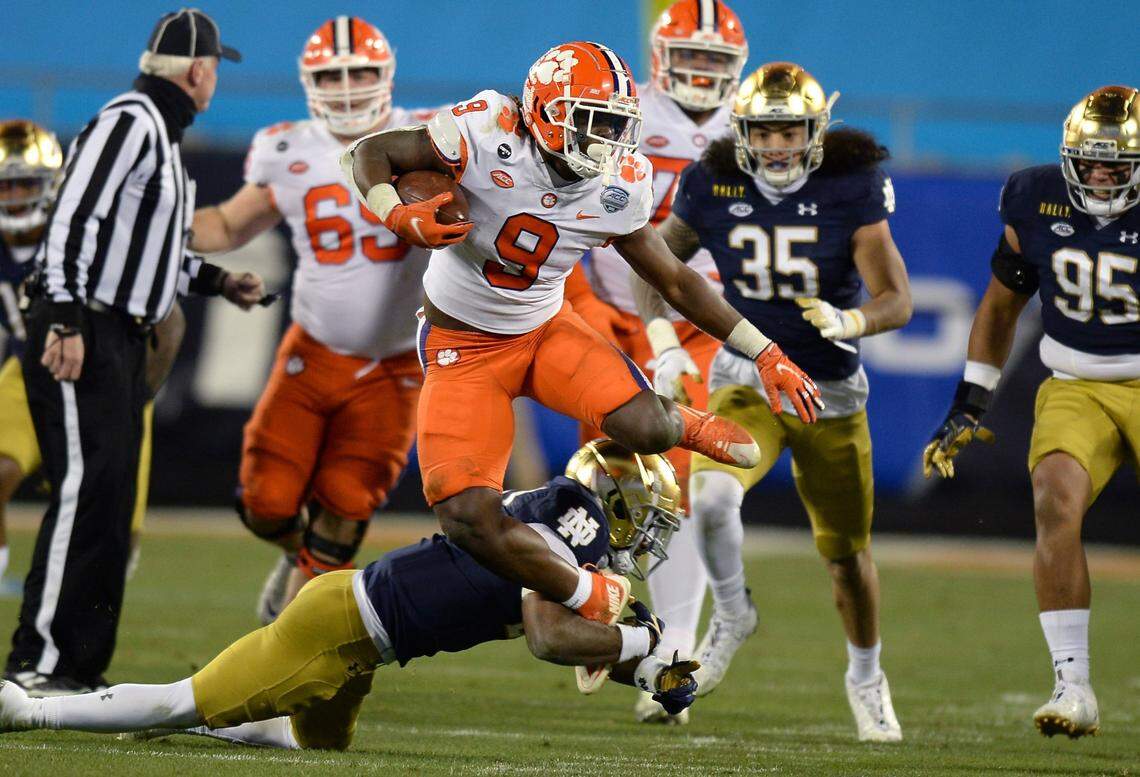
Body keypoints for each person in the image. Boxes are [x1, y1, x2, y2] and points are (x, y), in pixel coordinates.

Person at [342, 41, 823, 635]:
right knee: (464, 516)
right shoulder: (486, 129)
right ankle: (587, 591)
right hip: (461, 349)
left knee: (646, 428)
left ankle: (687, 425)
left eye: (618, 126)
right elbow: (370, 153)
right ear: (545, 111)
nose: (609, 142)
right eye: (594, 123)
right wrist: (395, 212)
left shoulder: (617, 185)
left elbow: (674, 277)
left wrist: (764, 349)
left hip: (545, 330)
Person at [0, 442, 700, 749]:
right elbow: (550, 637)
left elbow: (566, 633)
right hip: (338, 629)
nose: (649, 534)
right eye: (647, 516)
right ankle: (31, 711)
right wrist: (640, 643)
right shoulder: (561, 531)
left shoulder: (554, 518)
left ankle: (227, 716)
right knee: (183, 695)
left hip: (366, 641)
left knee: (321, 745)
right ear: (611, 502)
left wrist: (647, 669)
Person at [632, 62, 912, 741]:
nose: (778, 146)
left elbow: (896, 298)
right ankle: (732, 612)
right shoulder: (713, 180)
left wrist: (852, 322)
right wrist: (665, 343)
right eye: (764, 131)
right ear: (742, 132)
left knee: (845, 555)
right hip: (746, 377)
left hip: (830, 392)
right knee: (715, 498)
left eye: (791, 131)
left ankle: (866, 673)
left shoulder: (851, 188)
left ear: (816, 133)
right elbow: (655, 267)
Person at [4, 9, 262, 697]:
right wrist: (61, 320)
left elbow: (151, 252)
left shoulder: (158, 135)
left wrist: (218, 280)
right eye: (214, 70)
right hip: (85, 327)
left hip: (117, 332)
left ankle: (77, 662)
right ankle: (39, 659)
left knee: (110, 499)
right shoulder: (131, 122)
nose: (214, 83)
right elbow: (73, 218)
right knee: (85, 490)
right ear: (200, 70)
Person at [191, 16, 439, 624]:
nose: (349, 87)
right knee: (264, 500)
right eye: (334, 74)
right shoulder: (286, 147)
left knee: (351, 497)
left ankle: (302, 626)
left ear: (386, 76)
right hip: (315, 348)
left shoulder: (430, 138)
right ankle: (300, 555)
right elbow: (225, 226)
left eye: (360, 72)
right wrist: (155, 219)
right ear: (309, 82)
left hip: (397, 359)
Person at [923, 84, 1140, 739]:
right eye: (1090, 160)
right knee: (1052, 497)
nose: (1100, 174)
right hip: (1076, 380)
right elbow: (999, 306)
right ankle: (1072, 685)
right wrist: (970, 399)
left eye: (1116, 163)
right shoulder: (1035, 199)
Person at [563, 0, 748, 725]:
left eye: (714, 61)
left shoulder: (749, 125)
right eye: (691, 57)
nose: (702, 73)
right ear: (662, 56)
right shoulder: (619, 108)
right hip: (611, 312)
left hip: (698, 321)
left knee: (679, 482)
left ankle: (672, 654)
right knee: (606, 482)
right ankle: (610, 617)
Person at [0, 120, 185, 600]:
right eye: (6, 184)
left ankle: (74, 641)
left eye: (25, 183)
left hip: (106, 374)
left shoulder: (93, 229)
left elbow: (170, 319)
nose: (16, 195)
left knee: (111, 540)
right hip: (29, 368)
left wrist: (135, 395)